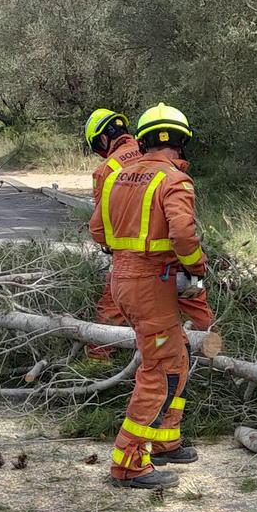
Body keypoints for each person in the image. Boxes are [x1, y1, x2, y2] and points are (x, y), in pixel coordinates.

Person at [99, 103, 213, 490]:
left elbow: (98, 231)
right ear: (182, 142)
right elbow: (183, 236)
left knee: (176, 352)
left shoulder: (116, 176)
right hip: (152, 283)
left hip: (123, 279)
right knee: (159, 369)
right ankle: (129, 461)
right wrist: (196, 268)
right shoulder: (174, 181)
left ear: (144, 139)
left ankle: (166, 439)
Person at [81, 109, 140, 355]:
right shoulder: (156, 149)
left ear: (103, 139)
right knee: (190, 301)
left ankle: (97, 367)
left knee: (111, 308)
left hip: (131, 257)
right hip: (179, 248)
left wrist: (106, 242)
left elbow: (100, 225)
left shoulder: (106, 169)